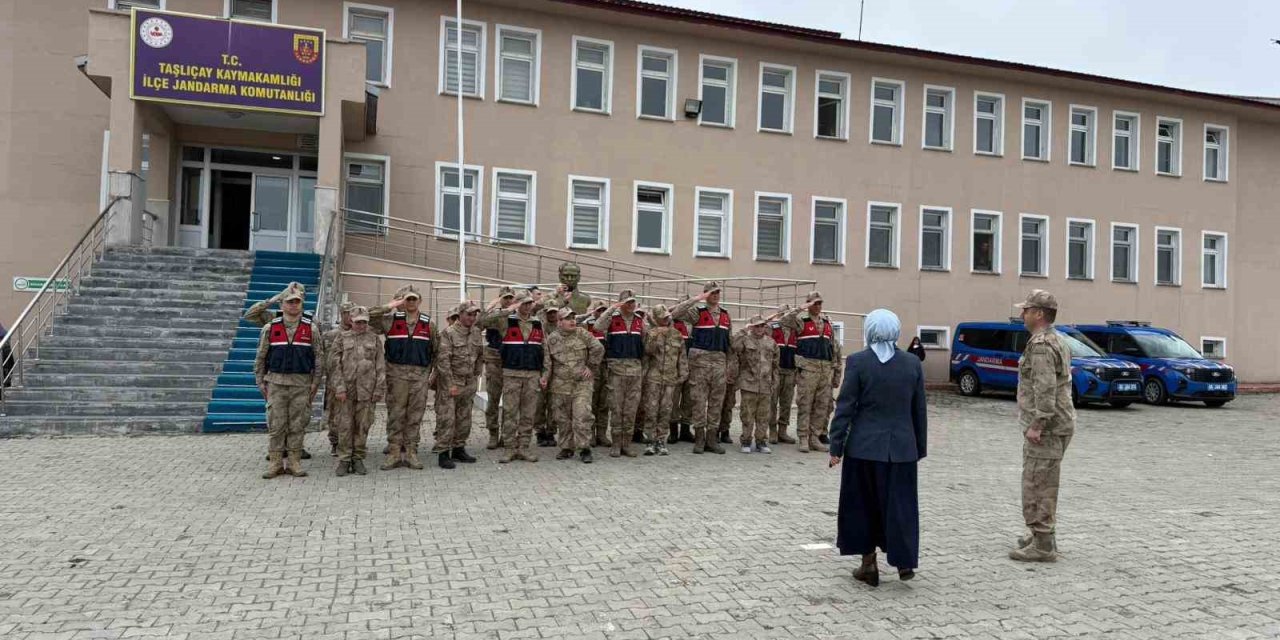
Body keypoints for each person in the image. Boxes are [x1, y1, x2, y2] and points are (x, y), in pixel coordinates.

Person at [829, 309, 927, 587]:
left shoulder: (859, 362)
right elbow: (918, 410)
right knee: (902, 506)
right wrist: (918, 447)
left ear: (869, 330)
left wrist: (836, 445)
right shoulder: (912, 363)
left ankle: (868, 564)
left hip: (863, 449)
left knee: (862, 506)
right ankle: (904, 561)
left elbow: (845, 406)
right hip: (902, 451)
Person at [1010, 289, 1076, 563]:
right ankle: (1040, 534)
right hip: (1059, 423)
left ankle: (1043, 543)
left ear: (1038, 314)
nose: (1022, 314)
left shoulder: (1041, 345)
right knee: (1044, 480)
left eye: (1026, 310)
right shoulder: (1056, 340)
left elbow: (1045, 389)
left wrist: (1037, 423)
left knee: (1038, 484)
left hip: (1047, 427)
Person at [254, 284, 324, 479]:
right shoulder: (271, 327)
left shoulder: (311, 329)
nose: (293, 305)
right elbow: (261, 356)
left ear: (301, 305)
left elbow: (319, 357)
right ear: (283, 305)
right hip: (276, 382)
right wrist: (260, 380)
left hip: (301, 383)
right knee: (276, 425)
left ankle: (294, 462)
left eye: (297, 302)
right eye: (289, 302)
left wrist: (315, 382)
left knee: (297, 424)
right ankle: (275, 463)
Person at [368, 284, 436, 471]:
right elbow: (368, 316)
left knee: (415, 416)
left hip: (419, 378)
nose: (411, 302)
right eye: (407, 299)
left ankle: (412, 452)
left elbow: (436, 352)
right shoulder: (390, 321)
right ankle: (394, 452)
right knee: (396, 415)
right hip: (396, 376)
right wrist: (391, 305)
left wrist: (431, 375)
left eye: (414, 299)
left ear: (419, 301)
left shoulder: (428, 323)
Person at [246, 282, 315, 461]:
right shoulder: (273, 319)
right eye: (289, 298)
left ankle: (295, 449)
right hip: (277, 374)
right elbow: (250, 315)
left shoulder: (310, 322)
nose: (294, 302)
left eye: (300, 297)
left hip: (300, 377)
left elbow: (315, 350)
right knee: (277, 417)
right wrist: (275, 298)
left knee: (299, 417)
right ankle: (277, 450)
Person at [482, 290, 545, 463]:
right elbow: (483, 321)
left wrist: (544, 373)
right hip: (511, 373)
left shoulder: (537, 322)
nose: (527, 306)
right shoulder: (506, 320)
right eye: (523, 303)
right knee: (510, 412)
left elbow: (543, 348)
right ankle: (509, 447)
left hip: (532, 373)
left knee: (528, 413)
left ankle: (524, 447)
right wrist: (509, 309)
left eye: (529, 303)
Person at [671, 282, 732, 455]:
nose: (715, 295)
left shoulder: (726, 315)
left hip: (719, 362)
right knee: (698, 401)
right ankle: (699, 439)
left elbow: (729, 344)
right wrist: (696, 299)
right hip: (700, 364)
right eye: (711, 292)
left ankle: (711, 439)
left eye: (717, 292)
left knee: (716, 402)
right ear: (705, 294)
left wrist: (729, 367)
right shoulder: (697, 312)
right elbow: (676, 313)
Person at [542, 307, 603, 463]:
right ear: (559, 322)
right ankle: (566, 447)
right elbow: (548, 362)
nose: (572, 321)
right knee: (562, 419)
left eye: (573, 318)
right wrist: (545, 378)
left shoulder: (582, 334)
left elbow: (598, 348)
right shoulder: (552, 339)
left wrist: (591, 366)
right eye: (568, 318)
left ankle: (584, 448)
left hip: (581, 384)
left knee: (582, 415)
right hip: (559, 385)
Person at [328, 306, 384, 477]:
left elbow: (380, 365)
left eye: (364, 322)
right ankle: (344, 459)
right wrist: (339, 388)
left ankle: (358, 458)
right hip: (346, 391)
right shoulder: (341, 338)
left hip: (367, 390)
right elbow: (334, 365)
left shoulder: (374, 339)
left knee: (362, 426)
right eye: (358, 322)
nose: (361, 325)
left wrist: (379, 388)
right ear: (351, 321)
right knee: (344, 426)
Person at [782, 291, 839, 453]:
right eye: (814, 303)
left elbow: (832, 348)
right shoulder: (801, 321)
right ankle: (803, 437)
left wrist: (834, 370)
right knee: (805, 404)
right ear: (808, 304)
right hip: (808, 369)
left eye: (820, 303)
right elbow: (784, 320)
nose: (818, 306)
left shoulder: (827, 323)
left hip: (824, 369)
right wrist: (800, 308)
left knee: (821, 405)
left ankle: (815, 437)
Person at [594, 289, 646, 458]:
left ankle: (626, 443)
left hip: (635, 369)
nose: (631, 305)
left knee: (630, 409)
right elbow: (597, 326)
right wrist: (612, 308)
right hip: (616, 369)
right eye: (628, 302)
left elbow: (645, 342)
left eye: (633, 302)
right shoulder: (613, 319)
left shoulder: (639, 321)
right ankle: (616, 443)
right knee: (616, 408)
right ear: (621, 303)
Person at [432, 302, 485, 469]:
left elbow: (479, 355)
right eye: (469, 314)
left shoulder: (476, 333)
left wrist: (476, 375)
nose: (472, 318)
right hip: (452, 382)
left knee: (464, 418)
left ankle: (458, 449)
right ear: (460, 314)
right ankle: (443, 453)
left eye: (474, 315)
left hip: (468, 382)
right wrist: (449, 384)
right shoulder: (448, 333)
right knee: (447, 419)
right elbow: (443, 361)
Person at [729, 314, 778, 454]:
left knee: (764, 415)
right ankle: (746, 441)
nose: (759, 328)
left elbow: (775, 365)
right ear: (751, 327)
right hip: (748, 383)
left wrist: (775, 382)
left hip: (766, 384)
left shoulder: (771, 342)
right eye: (756, 325)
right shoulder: (744, 340)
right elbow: (733, 345)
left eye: (762, 325)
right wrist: (744, 330)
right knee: (747, 414)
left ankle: (761, 442)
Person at [641, 304, 686, 456]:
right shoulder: (650, 333)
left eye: (667, 317)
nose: (666, 320)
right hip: (654, 377)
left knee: (666, 410)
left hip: (670, 378)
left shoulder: (676, 335)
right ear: (657, 318)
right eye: (663, 317)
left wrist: (683, 373)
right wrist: (656, 335)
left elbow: (682, 356)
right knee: (651, 410)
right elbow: (648, 351)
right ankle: (650, 441)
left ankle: (661, 440)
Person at [482, 286, 516, 449]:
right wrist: (494, 307)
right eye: (505, 298)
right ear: (500, 299)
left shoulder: (517, 316)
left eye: (511, 298)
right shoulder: (494, 315)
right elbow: (480, 323)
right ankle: (493, 434)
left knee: (510, 402)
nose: (508, 301)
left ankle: (506, 435)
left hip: (511, 361)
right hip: (494, 360)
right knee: (493, 400)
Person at [322, 302, 356, 456]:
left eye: (354, 313)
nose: (352, 316)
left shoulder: (362, 333)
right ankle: (335, 443)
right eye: (349, 313)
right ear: (342, 314)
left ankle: (354, 443)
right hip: (336, 383)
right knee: (336, 416)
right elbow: (325, 361)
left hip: (357, 383)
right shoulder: (331, 336)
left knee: (356, 415)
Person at [768, 307, 798, 445]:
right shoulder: (773, 328)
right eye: (783, 314)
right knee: (772, 402)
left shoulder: (795, 330)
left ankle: (783, 431)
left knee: (786, 403)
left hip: (790, 370)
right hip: (776, 370)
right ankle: (772, 430)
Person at [584, 299, 612, 448]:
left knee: (604, 402)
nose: (601, 313)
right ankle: (590, 434)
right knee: (591, 401)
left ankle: (602, 433)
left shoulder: (608, 326)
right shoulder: (587, 325)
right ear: (594, 311)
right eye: (599, 310)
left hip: (607, 366)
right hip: (593, 368)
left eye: (604, 310)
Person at [534, 306, 561, 448]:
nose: (552, 315)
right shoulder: (540, 327)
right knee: (539, 403)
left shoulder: (561, 328)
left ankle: (551, 431)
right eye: (549, 312)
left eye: (554, 312)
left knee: (553, 403)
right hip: (541, 368)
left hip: (557, 371)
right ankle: (540, 432)